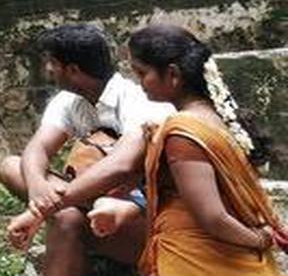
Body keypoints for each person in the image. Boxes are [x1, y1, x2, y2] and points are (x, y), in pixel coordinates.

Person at [94, 24, 288, 275]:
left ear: (173, 74)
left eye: (142, 73)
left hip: (198, 259)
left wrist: (262, 240)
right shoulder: (216, 119)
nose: (140, 83)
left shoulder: (183, 132)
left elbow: (213, 218)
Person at [0, 24, 174, 275]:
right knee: (12, 167)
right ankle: (69, 211)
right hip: (87, 201)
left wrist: (44, 208)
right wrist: (37, 188)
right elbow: (38, 148)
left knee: (66, 219)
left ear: (72, 70)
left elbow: (121, 166)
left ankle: (69, 214)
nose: (48, 70)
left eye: (52, 63)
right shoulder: (68, 100)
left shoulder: (137, 101)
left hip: (137, 216)